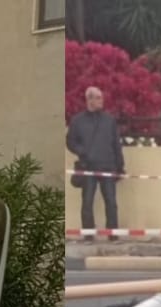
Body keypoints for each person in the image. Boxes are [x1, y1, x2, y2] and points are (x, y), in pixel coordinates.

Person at [67, 86, 124, 231]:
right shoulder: (77, 121)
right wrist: (82, 151)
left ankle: (113, 234)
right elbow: (70, 142)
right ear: (89, 99)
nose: (101, 100)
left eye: (101, 97)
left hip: (108, 166)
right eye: (98, 98)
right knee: (87, 203)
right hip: (88, 167)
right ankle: (88, 234)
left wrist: (120, 167)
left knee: (111, 202)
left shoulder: (109, 120)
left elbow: (116, 144)